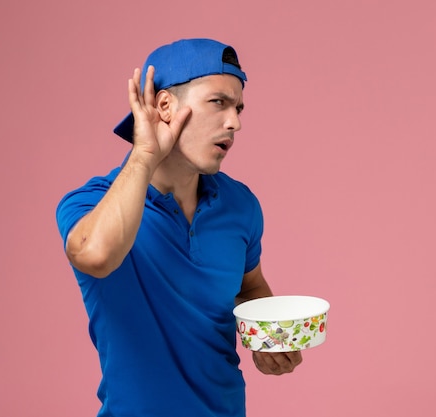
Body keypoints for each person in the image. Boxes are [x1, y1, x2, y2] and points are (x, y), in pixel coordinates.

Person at [56, 38, 302, 417]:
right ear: (165, 107)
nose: (234, 121)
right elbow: (96, 256)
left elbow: (249, 286)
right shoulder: (90, 204)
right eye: (218, 102)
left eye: (238, 107)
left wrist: (267, 338)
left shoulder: (241, 205)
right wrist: (144, 153)